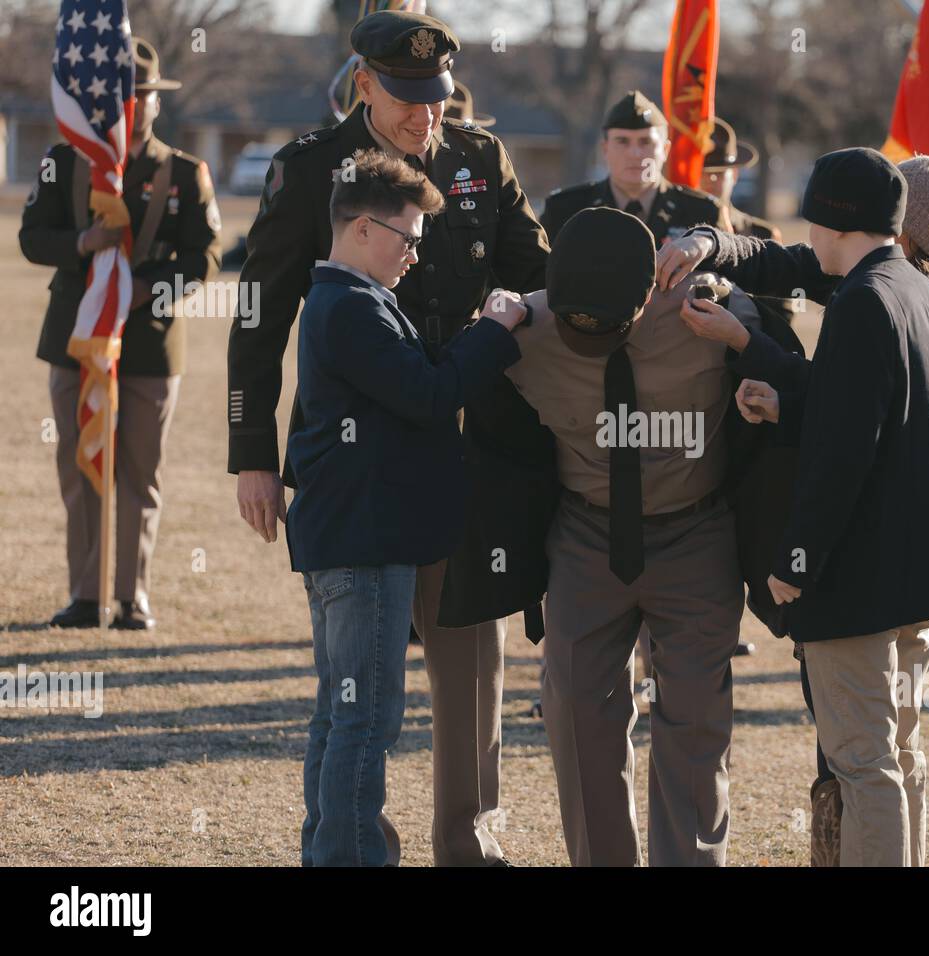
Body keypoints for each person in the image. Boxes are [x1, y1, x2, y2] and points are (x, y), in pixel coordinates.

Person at [227, 9, 549, 866]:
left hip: (469, 459)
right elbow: (257, 320)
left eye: (437, 97)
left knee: (471, 675)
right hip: (362, 470)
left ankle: (467, 845)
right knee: (360, 692)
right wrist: (251, 453)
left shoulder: (479, 160)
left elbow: (538, 272)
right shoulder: (309, 173)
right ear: (362, 82)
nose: (426, 115)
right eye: (407, 97)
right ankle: (353, 846)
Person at [656, 147, 929, 866]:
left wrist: (795, 562)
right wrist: (790, 401)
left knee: (863, 766)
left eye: (816, 222)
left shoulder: (863, 300)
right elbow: (875, 416)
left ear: (836, 220)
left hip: (858, 577)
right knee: (900, 752)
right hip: (917, 569)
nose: (810, 238)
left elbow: (843, 457)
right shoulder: (920, 286)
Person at [488, 207, 790, 865]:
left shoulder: (706, 312)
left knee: (695, 728)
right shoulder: (526, 324)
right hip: (584, 539)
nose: (583, 332)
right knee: (576, 719)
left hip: (697, 535)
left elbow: (787, 352)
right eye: (574, 322)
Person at [292, 149, 524, 867]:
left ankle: (329, 853)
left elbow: (412, 380)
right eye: (409, 238)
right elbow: (428, 396)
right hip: (364, 545)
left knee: (340, 715)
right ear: (363, 229)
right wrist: (496, 328)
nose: (417, 256)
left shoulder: (348, 298)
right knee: (363, 721)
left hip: (351, 537)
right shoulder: (354, 307)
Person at [19, 37, 221, 630]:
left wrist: (145, 290)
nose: (130, 106)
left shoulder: (185, 171)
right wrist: (81, 244)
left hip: (150, 345)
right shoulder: (63, 161)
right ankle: (86, 596)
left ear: (155, 103)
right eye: (117, 97)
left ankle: (133, 598)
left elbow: (204, 256)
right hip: (75, 339)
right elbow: (32, 237)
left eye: (141, 97)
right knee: (81, 467)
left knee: (139, 472)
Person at [540, 90, 725, 247]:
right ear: (605, 149)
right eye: (622, 141)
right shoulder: (564, 210)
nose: (635, 154)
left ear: (666, 150)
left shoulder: (702, 214)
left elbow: (727, 285)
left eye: (646, 142)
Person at [700, 118, 782, 241]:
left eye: (719, 172)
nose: (711, 178)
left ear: (734, 175)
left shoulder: (762, 235)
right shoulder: (670, 228)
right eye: (703, 172)